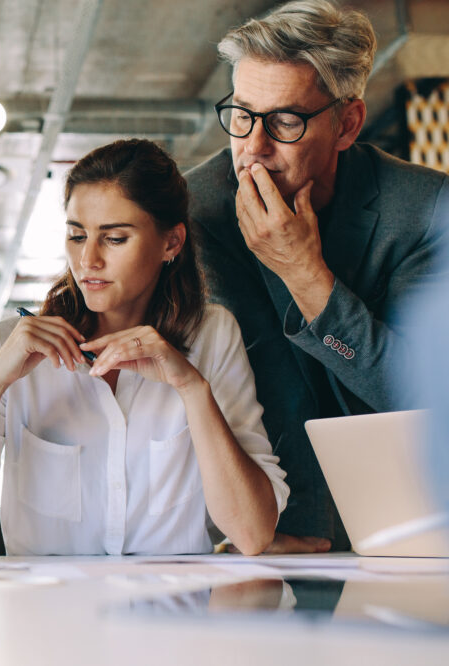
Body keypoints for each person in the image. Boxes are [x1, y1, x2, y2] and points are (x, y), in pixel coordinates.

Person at [0, 140, 289, 556]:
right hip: (49, 613)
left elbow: (253, 534)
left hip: (173, 613)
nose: (87, 260)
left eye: (114, 239)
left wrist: (191, 387)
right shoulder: (9, 345)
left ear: (171, 243)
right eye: (77, 236)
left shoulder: (213, 335)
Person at [185, 0, 449, 553]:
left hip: (406, 516)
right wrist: (288, 521)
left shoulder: (424, 209)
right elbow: (252, 381)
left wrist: (306, 276)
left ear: (347, 124)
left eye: (284, 121)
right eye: (241, 114)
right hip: (260, 523)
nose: (252, 148)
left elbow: (416, 393)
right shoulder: (196, 211)